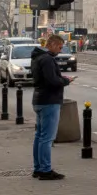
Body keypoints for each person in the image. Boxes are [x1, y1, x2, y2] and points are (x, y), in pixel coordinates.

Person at [32, 34, 72, 180]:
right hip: (49, 100)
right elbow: (52, 81)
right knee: (47, 138)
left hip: (39, 99)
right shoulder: (47, 59)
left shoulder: (37, 57)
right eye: (60, 47)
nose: (60, 50)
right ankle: (45, 170)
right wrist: (66, 81)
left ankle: (38, 168)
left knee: (39, 136)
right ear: (52, 44)